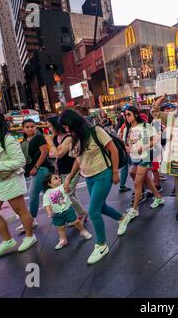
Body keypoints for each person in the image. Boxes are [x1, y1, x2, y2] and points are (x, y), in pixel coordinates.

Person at [59, 109, 132, 264]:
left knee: (93, 211)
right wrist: (69, 179)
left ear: (73, 123)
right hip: (89, 177)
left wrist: (115, 172)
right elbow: (77, 160)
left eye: (66, 126)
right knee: (101, 207)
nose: (66, 130)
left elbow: (113, 151)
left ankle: (101, 245)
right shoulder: (74, 138)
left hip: (103, 174)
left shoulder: (96, 131)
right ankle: (122, 218)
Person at [0, 110, 37, 258]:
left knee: (20, 210)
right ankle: (7, 241)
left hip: (9, 180)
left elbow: (20, 161)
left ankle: (30, 237)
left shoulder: (7, 139)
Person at [122, 106, 165, 218]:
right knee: (141, 177)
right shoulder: (127, 129)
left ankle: (134, 209)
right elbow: (125, 142)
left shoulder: (145, 126)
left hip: (145, 157)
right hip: (134, 158)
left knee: (137, 183)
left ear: (136, 114)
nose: (126, 117)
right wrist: (126, 147)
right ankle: (159, 197)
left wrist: (144, 147)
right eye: (125, 115)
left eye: (129, 114)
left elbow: (155, 139)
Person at [45, 116, 88, 225]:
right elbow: (51, 154)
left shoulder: (68, 137)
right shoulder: (56, 138)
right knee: (71, 193)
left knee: (67, 194)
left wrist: (51, 144)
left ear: (56, 125)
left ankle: (82, 214)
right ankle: (79, 214)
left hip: (72, 170)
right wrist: (54, 149)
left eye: (50, 126)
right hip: (61, 171)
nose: (49, 129)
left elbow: (58, 154)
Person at [16, 119, 53, 232]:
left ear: (36, 127)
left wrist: (36, 167)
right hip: (33, 171)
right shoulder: (24, 141)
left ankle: (31, 221)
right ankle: (70, 214)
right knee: (51, 194)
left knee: (33, 195)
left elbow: (44, 153)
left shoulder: (39, 138)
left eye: (32, 126)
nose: (30, 128)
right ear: (23, 129)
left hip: (41, 169)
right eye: (27, 127)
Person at [43, 173, 92, 250]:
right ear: (49, 183)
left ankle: (83, 231)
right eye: (55, 178)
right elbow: (46, 204)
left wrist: (68, 185)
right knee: (61, 227)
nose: (59, 179)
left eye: (59, 177)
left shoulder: (62, 186)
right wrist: (49, 211)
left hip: (68, 210)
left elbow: (69, 189)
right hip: (57, 214)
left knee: (76, 222)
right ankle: (63, 240)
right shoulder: (47, 193)